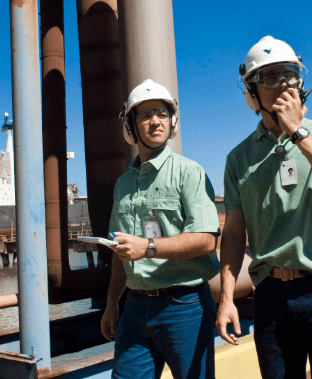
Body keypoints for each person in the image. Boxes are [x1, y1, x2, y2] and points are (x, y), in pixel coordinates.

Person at [216, 36, 312, 378]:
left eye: (290, 74)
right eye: (269, 77)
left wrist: (298, 131)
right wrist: (226, 299)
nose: (282, 83)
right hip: (270, 296)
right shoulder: (239, 158)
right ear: (252, 93)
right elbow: (234, 233)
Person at [101, 79, 220, 379]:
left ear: (172, 121)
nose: (156, 120)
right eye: (145, 114)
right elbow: (119, 251)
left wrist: (148, 248)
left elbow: (207, 240)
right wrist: (112, 302)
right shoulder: (123, 184)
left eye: (162, 113)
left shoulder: (189, 172)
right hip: (135, 306)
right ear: (131, 125)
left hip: (185, 305)